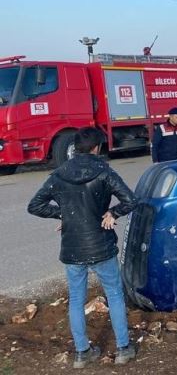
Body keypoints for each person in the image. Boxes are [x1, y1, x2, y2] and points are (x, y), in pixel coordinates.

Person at [27, 127, 138, 368]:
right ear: (97, 147)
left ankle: (81, 353)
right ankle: (123, 348)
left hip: (73, 248)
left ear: (76, 147)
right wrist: (112, 212)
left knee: (77, 299)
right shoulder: (104, 171)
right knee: (115, 295)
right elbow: (131, 200)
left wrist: (65, 216)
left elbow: (35, 206)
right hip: (101, 245)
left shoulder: (59, 173)